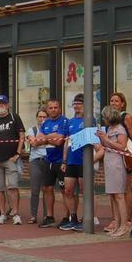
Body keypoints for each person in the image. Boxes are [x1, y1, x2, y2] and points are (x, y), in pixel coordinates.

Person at [0, 95, 25, 225]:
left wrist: (18, 153)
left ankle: (15, 213)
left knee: (12, 187)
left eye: (3, 103)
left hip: (10, 158)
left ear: (7, 105)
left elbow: (21, 136)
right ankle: (2, 214)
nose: (1, 105)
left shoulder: (14, 118)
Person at [97, 98, 132, 236]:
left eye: (104, 117)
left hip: (117, 164)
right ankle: (117, 224)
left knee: (119, 195)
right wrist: (101, 138)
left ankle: (124, 225)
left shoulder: (119, 129)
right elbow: (106, 145)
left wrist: (106, 139)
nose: (103, 120)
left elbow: (122, 146)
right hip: (109, 162)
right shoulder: (110, 129)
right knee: (113, 195)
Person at [56, 94, 89, 231]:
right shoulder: (70, 122)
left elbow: (92, 139)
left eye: (79, 103)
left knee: (84, 191)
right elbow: (67, 142)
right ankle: (73, 217)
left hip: (83, 161)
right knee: (68, 190)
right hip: (71, 160)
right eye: (74, 104)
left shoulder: (89, 120)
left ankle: (87, 218)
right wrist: (64, 160)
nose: (76, 106)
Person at [32, 98, 65, 227]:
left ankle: (66, 216)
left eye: (55, 107)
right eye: (50, 108)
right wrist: (50, 137)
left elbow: (59, 141)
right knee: (47, 188)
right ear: (47, 109)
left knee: (64, 190)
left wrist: (45, 138)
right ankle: (49, 216)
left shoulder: (64, 121)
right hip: (48, 159)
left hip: (60, 160)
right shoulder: (45, 123)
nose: (53, 110)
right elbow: (36, 141)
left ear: (60, 109)